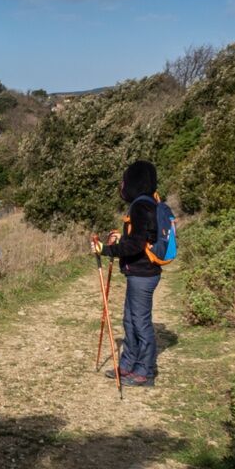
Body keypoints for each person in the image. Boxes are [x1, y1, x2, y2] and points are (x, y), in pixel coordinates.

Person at [97, 160, 163, 388]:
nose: (122, 186)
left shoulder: (141, 206)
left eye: (125, 181)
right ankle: (128, 365)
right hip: (139, 272)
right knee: (130, 319)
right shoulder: (147, 203)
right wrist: (120, 239)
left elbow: (136, 245)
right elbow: (141, 238)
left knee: (140, 322)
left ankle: (145, 372)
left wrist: (106, 250)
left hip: (143, 274)